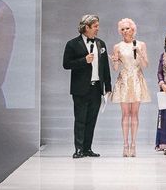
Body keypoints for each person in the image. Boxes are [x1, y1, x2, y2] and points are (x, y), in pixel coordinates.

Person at [62, 14, 112, 158]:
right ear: (86, 27)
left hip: (96, 88)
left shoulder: (101, 44)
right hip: (80, 88)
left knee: (92, 119)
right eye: (95, 26)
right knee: (80, 119)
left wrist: (107, 87)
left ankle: (87, 148)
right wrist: (84, 60)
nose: (98, 29)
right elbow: (66, 64)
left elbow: (105, 67)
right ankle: (78, 149)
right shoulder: (72, 44)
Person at [110, 18, 151, 157]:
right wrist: (115, 61)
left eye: (127, 28)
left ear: (133, 29)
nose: (125, 31)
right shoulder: (117, 46)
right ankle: (125, 144)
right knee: (125, 114)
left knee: (135, 113)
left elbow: (146, 65)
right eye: (122, 29)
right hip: (124, 80)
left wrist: (139, 53)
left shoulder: (141, 44)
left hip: (136, 79)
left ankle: (133, 144)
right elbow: (116, 68)